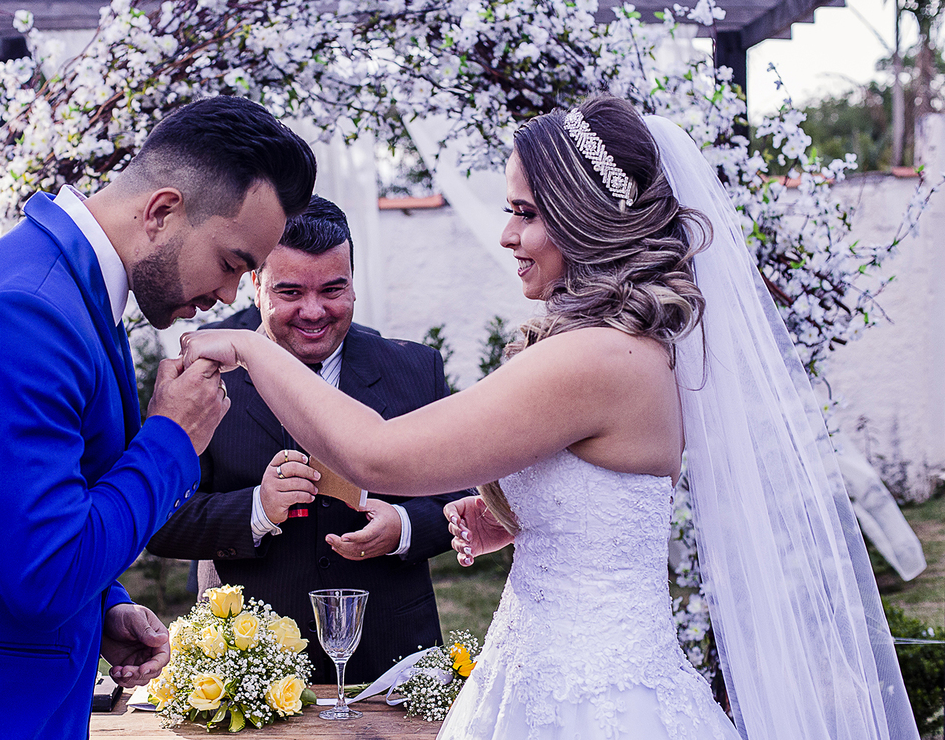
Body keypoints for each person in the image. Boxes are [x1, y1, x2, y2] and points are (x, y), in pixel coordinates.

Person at [179, 95, 918, 739]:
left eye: (524, 213)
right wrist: (520, 512)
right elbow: (603, 492)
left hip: (592, 701)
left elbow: (376, 456)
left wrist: (251, 344)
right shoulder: (620, 348)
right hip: (545, 674)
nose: (506, 235)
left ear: (584, 219)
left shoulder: (595, 357)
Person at [0, 96, 316, 740]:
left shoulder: (70, 292)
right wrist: (173, 441)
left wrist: (103, 603)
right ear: (163, 212)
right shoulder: (23, 315)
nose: (229, 296)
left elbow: (36, 509)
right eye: (232, 263)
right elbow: (45, 577)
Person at [148, 196, 468, 683]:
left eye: (333, 289)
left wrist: (403, 526)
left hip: (391, 654)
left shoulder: (415, 370)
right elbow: (159, 522)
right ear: (255, 285)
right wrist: (256, 509)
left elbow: (461, 498)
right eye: (291, 291)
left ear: (355, 285)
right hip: (245, 663)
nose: (314, 312)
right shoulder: (202, 378)